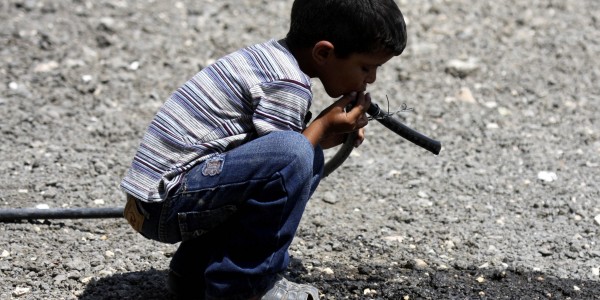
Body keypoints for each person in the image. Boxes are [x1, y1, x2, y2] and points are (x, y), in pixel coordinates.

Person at [120, 0, 407, 299]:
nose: (371, 79)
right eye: (366, 67)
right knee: (299, 156)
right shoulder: (288, 82)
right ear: (323, 52)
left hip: (153, 203)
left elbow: (265, 159)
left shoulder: (269, 58)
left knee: (306, 156)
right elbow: (286, 162)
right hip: (166, 204)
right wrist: (321, 126)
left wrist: (327, 132)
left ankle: (193, 276)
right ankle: (244, 288)